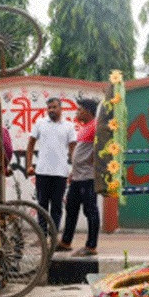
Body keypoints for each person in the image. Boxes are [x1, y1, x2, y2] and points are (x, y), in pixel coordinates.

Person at [25, 98, 74, 236]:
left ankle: (53, 236)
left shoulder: (69, 126)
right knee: (42, 206)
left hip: (60, 173)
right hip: (42, 172)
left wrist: (74, 169)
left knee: (57, 207)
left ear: (61, 109)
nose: (51, 110)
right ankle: (42, 236)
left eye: (54, 107)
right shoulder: (40, 123)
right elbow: (30, 145)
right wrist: (29, 165)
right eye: (49, 107)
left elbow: (73, 149)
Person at [60, 97, 100, 255]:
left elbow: (101, 147)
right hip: (77, 176)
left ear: (88, 111)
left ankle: (91, 246)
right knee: (71, 209)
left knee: (90, 211)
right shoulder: (85, 127)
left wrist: (93, 163)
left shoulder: (96, 126)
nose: (77, 112)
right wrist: (73, 172)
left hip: (88, 177)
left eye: (80, 109)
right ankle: (66, 242)